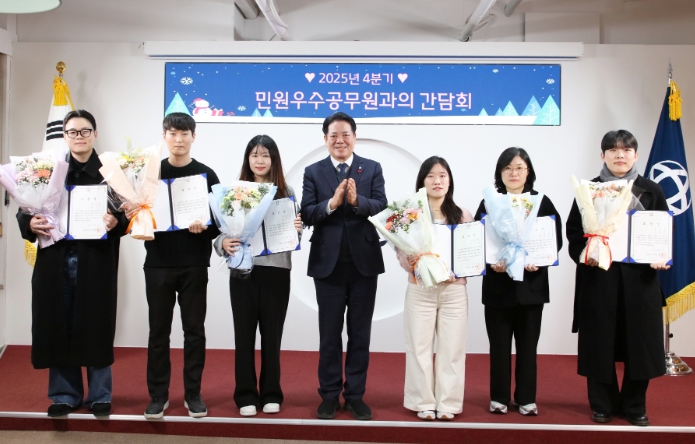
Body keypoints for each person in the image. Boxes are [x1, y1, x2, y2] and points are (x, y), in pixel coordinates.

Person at [17, 109, 128, 417]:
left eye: (85, 131)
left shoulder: (111, 173)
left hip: (95, 259)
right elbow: (25, 210)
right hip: (55, 257)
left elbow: (127, 214)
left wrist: (115, 222)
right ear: (64, 136)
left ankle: (100, 395)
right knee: (57, 323)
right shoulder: (48, 171)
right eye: (72, 132)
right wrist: (30, 223)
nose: (79, 137)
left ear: (95, 134)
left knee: (96, 324)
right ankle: (64, 394)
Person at [566, 130, 669, 427]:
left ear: (636, 155)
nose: (619, 154)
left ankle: (635, 405)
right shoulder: (588, 190)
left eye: (626, 150)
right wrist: (587, 253)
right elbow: (574, 233)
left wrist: (661, 255)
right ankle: (602, 404)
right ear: (603, 155)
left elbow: (663, 230)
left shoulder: (651, 190)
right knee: (599, 343)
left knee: (641, 344)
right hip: (599, 279)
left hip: (640, 280)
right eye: (612, 149)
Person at [300, 112, 387, 421]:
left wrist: (357, 200)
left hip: (364, 264)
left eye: (345, 134)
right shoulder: (313, 171)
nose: (340, 140)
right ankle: (328, 395)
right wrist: (332, 204)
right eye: (334, 135)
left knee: (360, 334)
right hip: (328, 266)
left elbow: (382, 206)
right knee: (329, 335)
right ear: (325, 139)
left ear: (354, 137)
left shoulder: (372, 168)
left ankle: (355, 396)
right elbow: (307, 213)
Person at [213, 135, 303, 417]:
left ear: (274, 159)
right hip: (243, 271)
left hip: (276, 272)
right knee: (243, 336)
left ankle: (272, 393)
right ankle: (245, 395)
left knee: (272, 337)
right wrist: (222, 243)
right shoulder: (235, 191)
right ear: (247, 159)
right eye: (254, 155)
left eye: (265, 155)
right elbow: (219, 232)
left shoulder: (286, 192)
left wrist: (297, 229)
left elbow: (293, 236)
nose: (260, 160)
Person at [142, 112, 220, 419]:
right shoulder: (151, 174)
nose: (178, 139)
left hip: (194, 264)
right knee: (158, 333)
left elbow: (220, 225)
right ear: (164, 137)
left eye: (184, 133)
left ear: (193, 137)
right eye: (173, 133)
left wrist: (205, 226)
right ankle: (158, 395)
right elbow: (139, 215)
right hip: (158, 263)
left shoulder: (206, 174)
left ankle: (193, 394)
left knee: (194, 331)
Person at [474, 147, 562, 417]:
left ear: (528, 172)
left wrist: (540, 260)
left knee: (528, 347)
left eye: (519, 168)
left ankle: (526, 398)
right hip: (498, 286)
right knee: (499, 346)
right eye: (508, 168)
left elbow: (554, 238)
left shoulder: (541, 202)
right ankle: (499, 397)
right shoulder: (490, 202)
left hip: (531, 287)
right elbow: (477, 238)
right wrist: (490, 261)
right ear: (500, 173)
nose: (514, 173)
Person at [397, 156, 473, 421]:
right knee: (419, 348)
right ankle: (423, 402)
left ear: (449, 181)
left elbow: (471, 252)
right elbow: (401, 253)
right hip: (421, 291)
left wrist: (462, 267)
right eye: (430, 176)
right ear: (422, 181)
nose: (437, 181)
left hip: (454, 292)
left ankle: (448, 403)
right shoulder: (410, 215)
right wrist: (413, 261)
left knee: (452, 349)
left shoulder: (462, 215)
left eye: (442, 175)